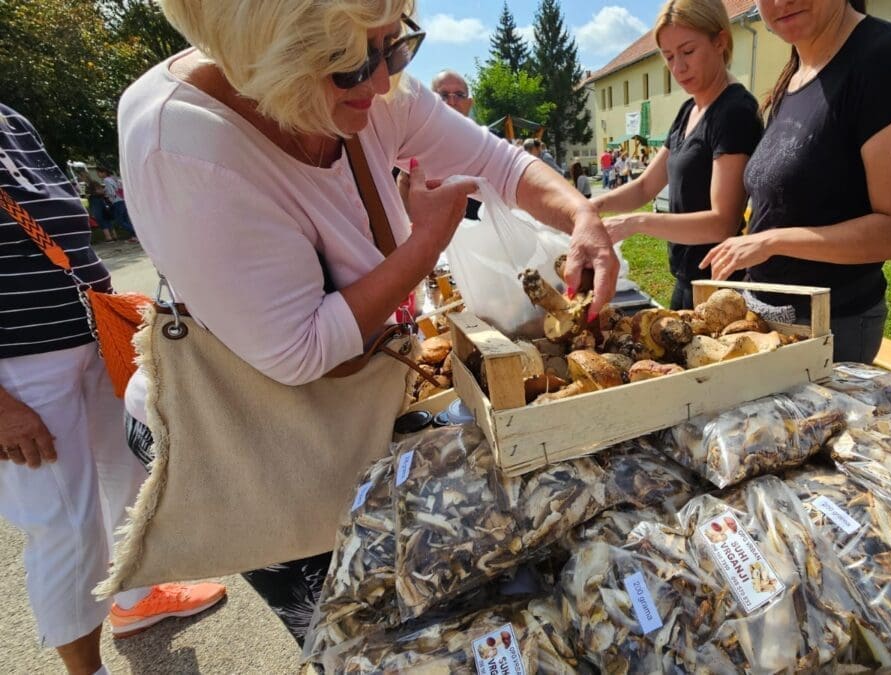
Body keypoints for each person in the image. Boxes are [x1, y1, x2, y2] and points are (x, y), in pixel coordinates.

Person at [118, 0, 617, 645]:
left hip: (354, 409)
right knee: (360, 636)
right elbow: (299, 349)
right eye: (349, 63)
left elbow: (498, 163)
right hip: (258, 441)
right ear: (275, 56)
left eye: (394, 45)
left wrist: (581, 216)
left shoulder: (370, 82)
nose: (382, 82)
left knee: (435, 597)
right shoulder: (183, 145)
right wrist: (423, 247)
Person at [0, 103, 225, 675]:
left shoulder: (10, 121)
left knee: (129, 477)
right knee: (65, 526)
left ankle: (135, 599)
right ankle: (86, 670)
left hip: (89, 333)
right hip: (17, 367)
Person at [699, 0, 891, 362]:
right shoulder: (795, 73)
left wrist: (770, 241)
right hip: (769, 318)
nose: (781, 2)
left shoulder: (885, 57)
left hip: (831, 326)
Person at [591, 0, 763, 309]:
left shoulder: (735, 112)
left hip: (719, 290)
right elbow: (645, 186)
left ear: (720, 41)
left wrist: (636, 222)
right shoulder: (689, 109)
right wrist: (592, 206)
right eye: (669, 57)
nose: (678, 68)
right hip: (686, 280)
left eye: (688, 52)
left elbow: (722, 223)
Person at [426, 69, 481, 220]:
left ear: (469, 103)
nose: (451, 102)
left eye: (459, 95)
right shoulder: (414, 145)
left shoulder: (489, 144)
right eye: (443, 95)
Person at [96, 167, 137, 243]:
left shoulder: (106, 180)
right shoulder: (114, 178)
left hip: (116, 201)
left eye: (99, 173)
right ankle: (134, 236)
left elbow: (111, 192)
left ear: (104, 172)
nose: (98, 174)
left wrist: (105, 194)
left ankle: (136, 233)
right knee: (126, 219)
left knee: (120, 221)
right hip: (122, 199)